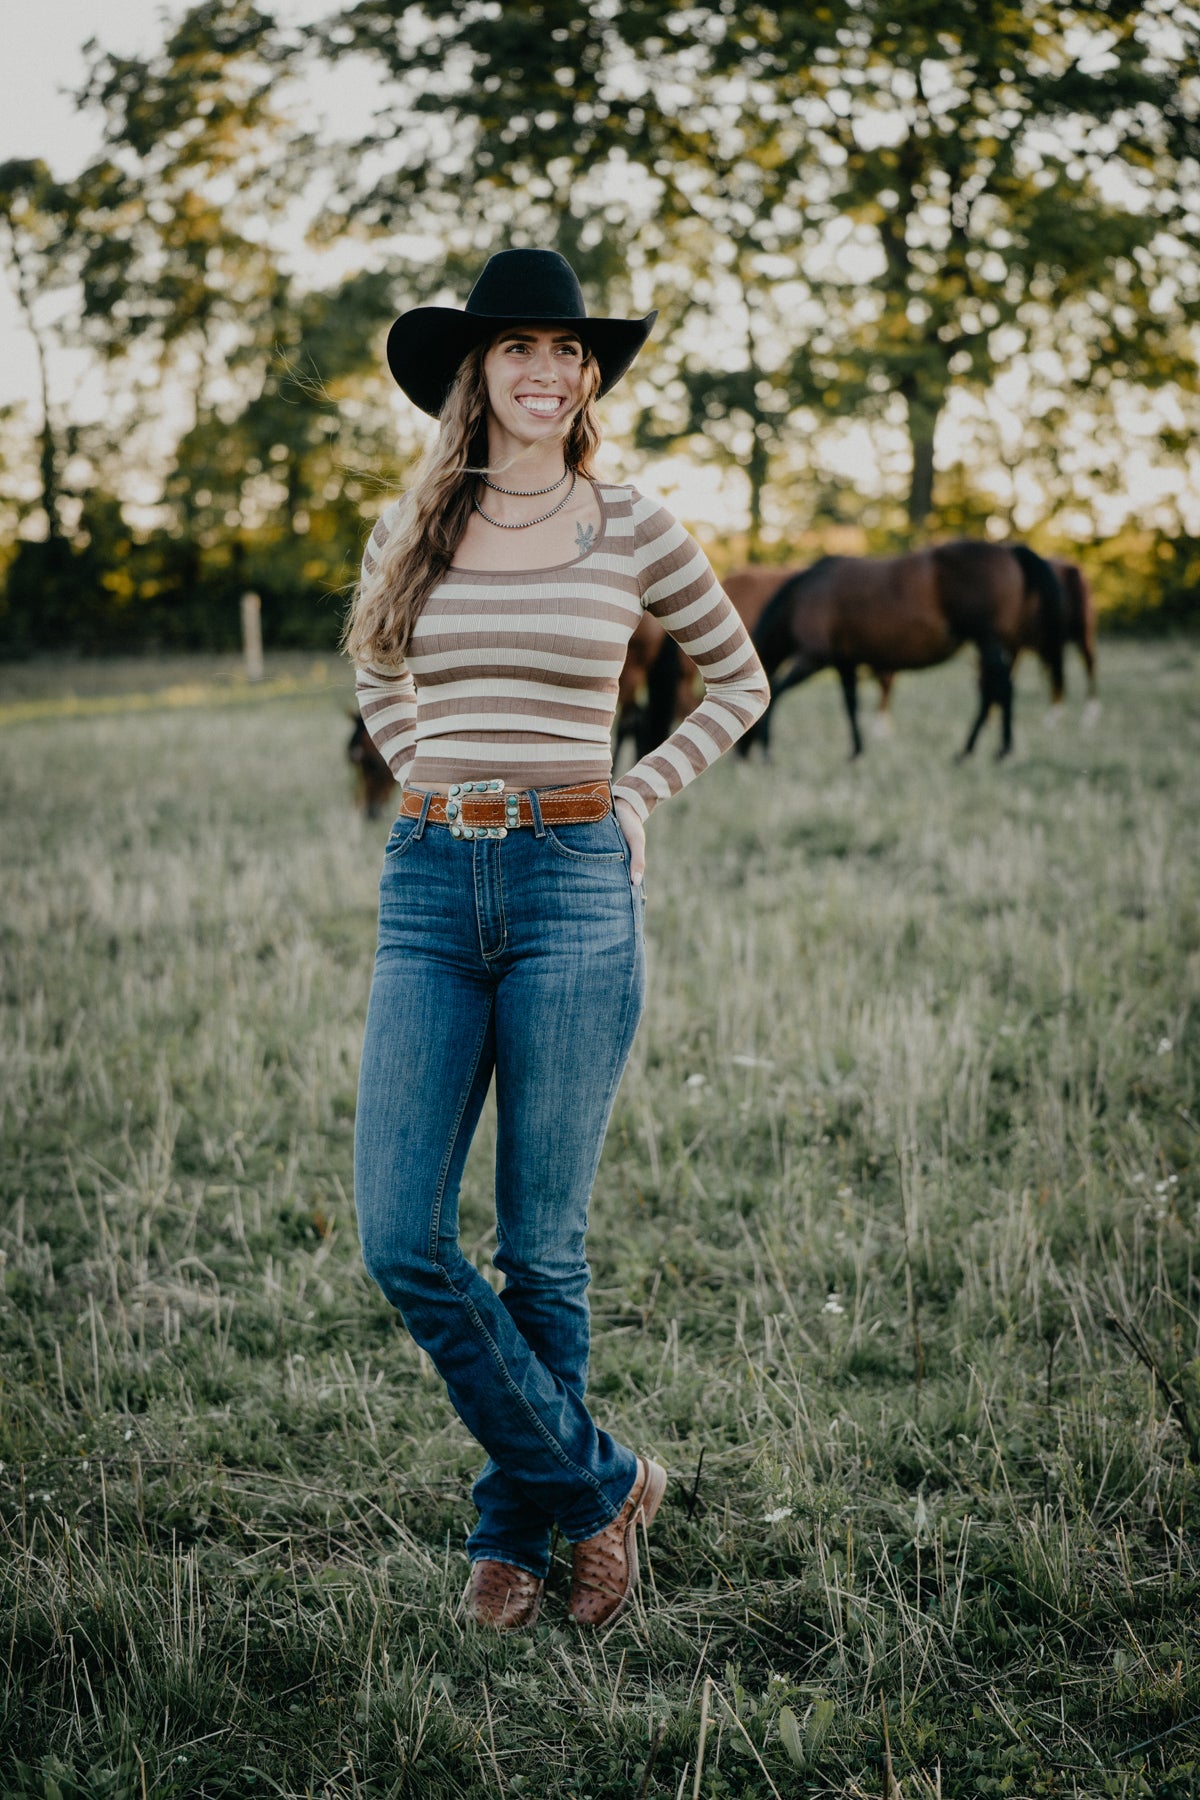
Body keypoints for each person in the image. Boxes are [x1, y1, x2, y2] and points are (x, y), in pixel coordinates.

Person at [346, 247, 769, 1631]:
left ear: (585, 380)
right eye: (518, 346)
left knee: (544, 1249)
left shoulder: (630, 521)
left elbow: (740, 679)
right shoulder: (415, 522)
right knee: (402, 1233)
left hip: (576, 886)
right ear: (475, 371)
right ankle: (604, 1486)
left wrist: (639, 789)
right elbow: (375, 666)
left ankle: (511, 1538)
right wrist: (426, 776)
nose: (547, 369)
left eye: (568, 351)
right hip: (429, 886)